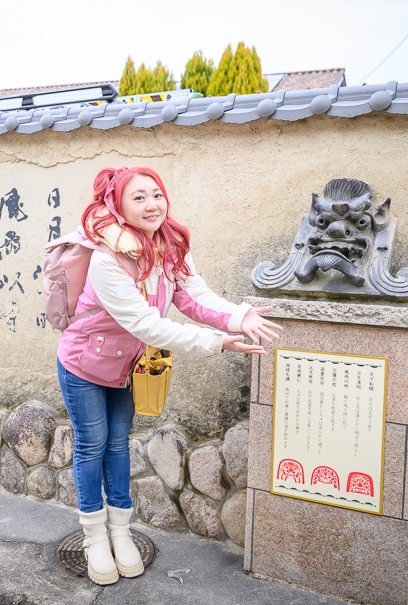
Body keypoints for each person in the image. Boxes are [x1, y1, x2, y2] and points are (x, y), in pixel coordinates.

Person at [56, 166, 282, 585]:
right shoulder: (107, 260)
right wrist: (216, 342)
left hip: (127, 369)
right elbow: (148, 325)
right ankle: (94, 538)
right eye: (138, 197)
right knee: (92, 446)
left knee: (119, 446)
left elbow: (194, 296)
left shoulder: (169, 246)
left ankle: (121, 533)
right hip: (83, 366)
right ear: (118, 205)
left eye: (156, 194)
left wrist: (238, 315)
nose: (151, 204)